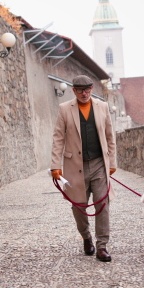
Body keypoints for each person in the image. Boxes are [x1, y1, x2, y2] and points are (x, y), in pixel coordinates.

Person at [50, 75, 117, 262]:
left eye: (87, 90)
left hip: (98, 164)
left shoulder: (102, 107)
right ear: (74, 91)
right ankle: (86, 237)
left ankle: (102, 246)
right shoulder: (65, 109)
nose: (84, 93)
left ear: (92, 88)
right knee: (78, 205)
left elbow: (110, 137)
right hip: (74, 166)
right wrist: (55, 165)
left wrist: (112, 163)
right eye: (80, 90)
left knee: (102, 204)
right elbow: (58, 138)